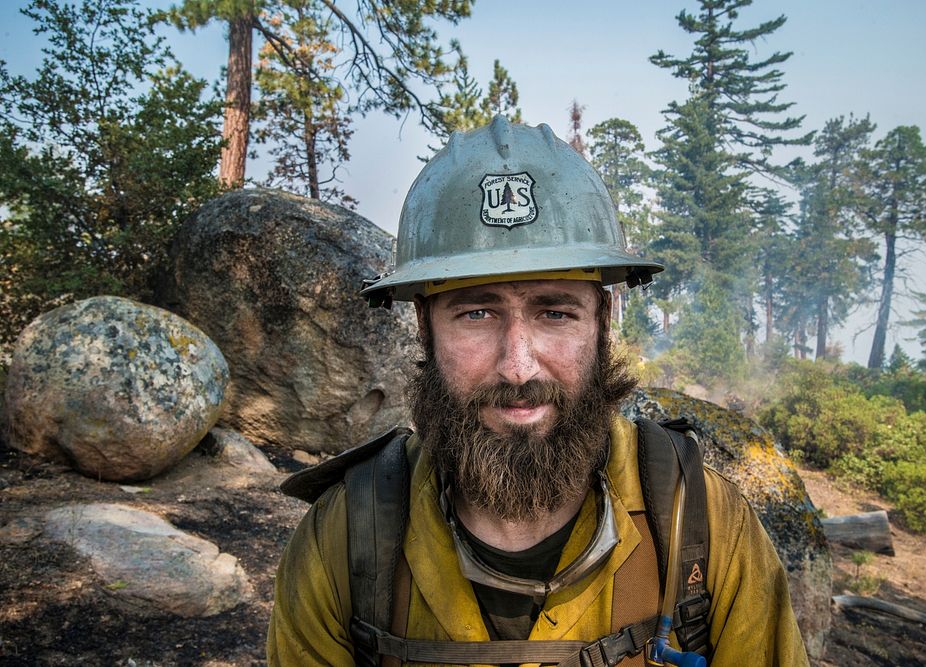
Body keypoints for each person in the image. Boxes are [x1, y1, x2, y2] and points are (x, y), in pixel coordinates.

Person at [267, 116, 808, 666]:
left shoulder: (702, 522)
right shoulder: (341, 540)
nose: (518, 368)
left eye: (555, 313)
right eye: (477, 313)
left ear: (602, 320)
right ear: (425, 328)